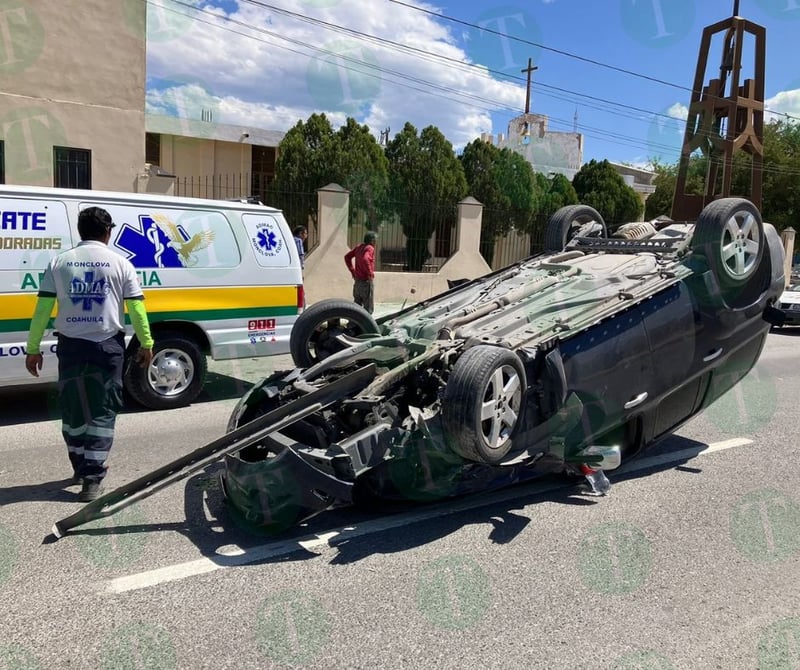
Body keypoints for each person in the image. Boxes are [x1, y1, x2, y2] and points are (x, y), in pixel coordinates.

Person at [24, 207, 154, 502]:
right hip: (107, 347)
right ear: (108, 232)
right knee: (102, 409)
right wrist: (146, 343)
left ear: (80, 231)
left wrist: (33, 349)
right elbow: (136, 309)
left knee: (72, 407)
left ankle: (79, 464)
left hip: (71, 347)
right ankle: (92, 480)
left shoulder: (59, 263)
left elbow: (42, 310)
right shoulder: (121, 264)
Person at [344, 231, 377, 314]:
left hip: (357, 282)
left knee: (356, 309)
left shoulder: (359, 247)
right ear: (372, 240)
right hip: (366, 283)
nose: (376, 242)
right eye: (375, 240)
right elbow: (365, 259)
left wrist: (352, 271)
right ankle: (365, 327)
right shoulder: (370, 248)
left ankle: (353, 325)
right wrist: (370, 274)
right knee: (368, 310)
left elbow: (347, 257)